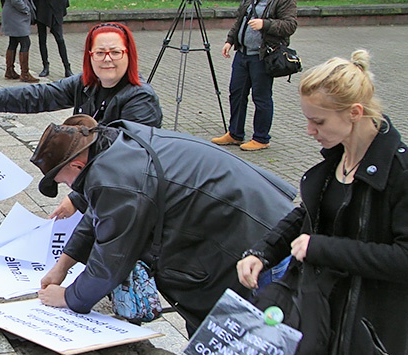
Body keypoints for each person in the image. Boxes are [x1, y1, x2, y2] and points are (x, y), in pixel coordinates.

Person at [237, 50, 408, 355]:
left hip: (364, 322)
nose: (309, 131)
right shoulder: (337, 155)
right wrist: (262, 251)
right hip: (318, 308)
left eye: (319, 122)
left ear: (354, 113)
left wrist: (321, 248)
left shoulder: (400, 171)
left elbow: (404, 259)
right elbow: (306, 215)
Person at [33, 115, 296, 329]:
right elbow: (98, 212)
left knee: (254, 349)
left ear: (78, 166)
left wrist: (70, 297)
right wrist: (64, 264)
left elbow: (112, 259)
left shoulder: (114, 177)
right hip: (259, 217)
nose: (67, 187)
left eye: (62, 180)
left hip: (261, 243)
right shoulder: (114, 144)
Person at [0, 22, 162, 219]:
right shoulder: (87, 84)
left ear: (128, 55)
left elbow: (128, 160)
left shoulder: (140, 99)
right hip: (95, 190)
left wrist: (77, 199)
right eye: (100, 52)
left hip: (125, 198)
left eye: (116, 52)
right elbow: (42, 95)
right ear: (90, 56)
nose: (107, 59)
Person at [212, 0, 298, 151]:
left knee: (261, 97)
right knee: (236, 93)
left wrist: (265, 24)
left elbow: (290, 25)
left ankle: (261, 138)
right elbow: (240, 18)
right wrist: (230, 40)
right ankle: (235, 133)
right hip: (242, 53)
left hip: (264, 56)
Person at [0, 0, 38, 83]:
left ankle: (9, 71)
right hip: (15, 15)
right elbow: (15, 0)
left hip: (14, 14)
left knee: (14, 41)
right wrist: (26, 9)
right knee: (25, 42)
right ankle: (25, 73)